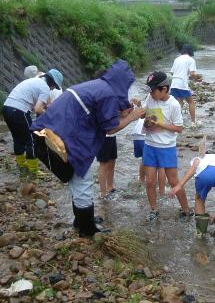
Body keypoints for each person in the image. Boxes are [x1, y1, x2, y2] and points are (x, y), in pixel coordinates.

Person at [31, 60, 144, 237]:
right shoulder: (107, 94)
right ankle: (87, 230)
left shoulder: (98, 86)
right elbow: (110, 128)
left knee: (77, 180)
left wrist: (124, 113)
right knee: (82, 180)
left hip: (46, 132)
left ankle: (81, 220)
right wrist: (133, 117)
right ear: (122, 82)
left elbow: (101, 112)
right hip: (62, 139)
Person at [142, 71, 192, 220]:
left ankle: (186, 210)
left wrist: (160, 124)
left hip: (166, 147)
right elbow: (144, 112)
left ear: (164, 89)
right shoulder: (150, 98)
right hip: (150, 145)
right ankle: (154, 209)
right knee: (150, 181)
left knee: (173, 181)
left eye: (153, 90)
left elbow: (179, 128)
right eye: (149, 90)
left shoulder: (174, 104)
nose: (150, 93)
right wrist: (139, 109)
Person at [169, 136, 215, 237]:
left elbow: (193, 169)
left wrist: (179, 185)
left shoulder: (200, 158)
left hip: (205, 175)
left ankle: (201, 232)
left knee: (199, 199)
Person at [3, 68, 63, 174]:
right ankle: (34, 170)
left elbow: (43, 105)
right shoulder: (45, 88)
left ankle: (22, 165)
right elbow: (38, 109)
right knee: (32, 139)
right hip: (19, 110)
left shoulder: (35, 81)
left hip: (7, 108)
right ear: (52, 83)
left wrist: (49, 108)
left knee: (18, 139)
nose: (54, 89)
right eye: (54, 86)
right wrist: (50, 116)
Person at [132, 117, 166, 196]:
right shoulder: (166, 106)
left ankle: (141, 182)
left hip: (137, 134)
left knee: (144, 160)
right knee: (161, 164)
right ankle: (161, 192)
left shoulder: (148, 105)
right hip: (149, 136)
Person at [170, 44, 201, 127]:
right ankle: (193, 122)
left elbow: (172, 72)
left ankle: (176, 122)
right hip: (182, 84)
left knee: (178, 103)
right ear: (190, 52)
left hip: (173, 84)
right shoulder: (191, 60)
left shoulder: (176, 59)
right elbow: (193, 74)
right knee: (191, 102)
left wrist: (185, 75)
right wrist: (197, 79)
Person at [96, 134, 118, 200]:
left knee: (112, 161)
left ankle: (110, 187)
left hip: (112, 136)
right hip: (102, 137)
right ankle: (103, 193)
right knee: (103, 165)